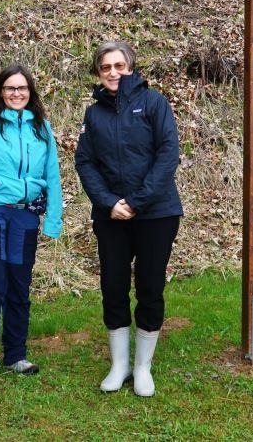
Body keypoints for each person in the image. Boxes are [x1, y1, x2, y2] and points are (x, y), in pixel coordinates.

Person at [74, 41, 182, 397]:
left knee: (150, 287)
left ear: (131, 68)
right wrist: (109, 203)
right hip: (111, 217)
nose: (112, 72)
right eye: (106, 67)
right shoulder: (94, 114)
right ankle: (119, 365)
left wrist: (135, 202)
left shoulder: (155, 104)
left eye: (119, 65)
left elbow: (167, 155)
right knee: (113, 287)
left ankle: (142, 368)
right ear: (99, 72)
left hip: (156, 213)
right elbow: (85, 164)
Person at [0, 64, 63, 386]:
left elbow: (53, 177)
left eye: (22, 88)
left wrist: (53, 221)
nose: (16, 93)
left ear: (30, 92)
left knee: (19, 288)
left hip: (25, 218)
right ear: (0, 92)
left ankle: (16, 354)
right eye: (10, 88)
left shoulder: (42, 129)